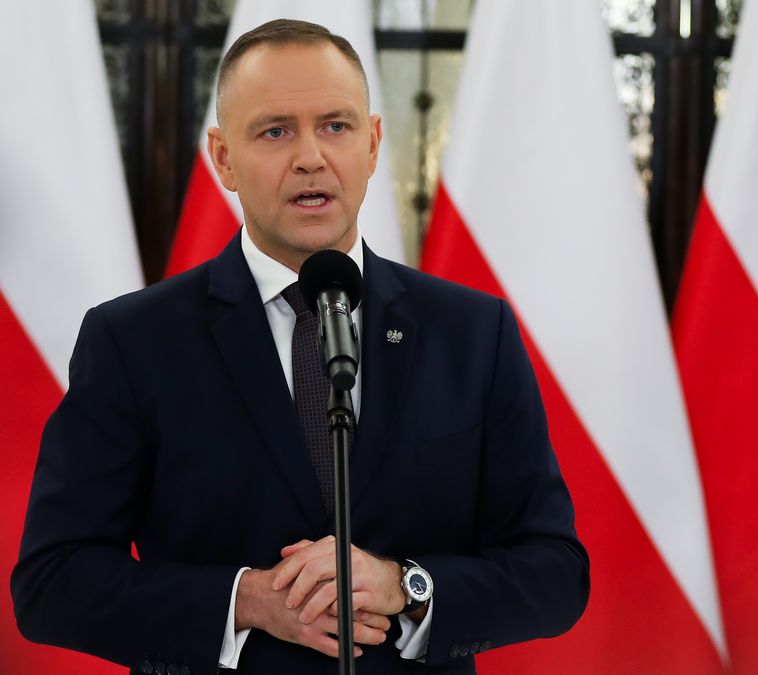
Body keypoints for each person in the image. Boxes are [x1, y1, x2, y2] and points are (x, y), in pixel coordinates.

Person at [11, 19, 588, 675]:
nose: (311, 156)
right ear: (223, 158)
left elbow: (555, 572)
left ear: (373, 144)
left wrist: (407, 585)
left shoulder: (474, 333)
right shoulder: (134, 340)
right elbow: (51, 582)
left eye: (336, 126)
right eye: (275, 130)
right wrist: (244, 600)